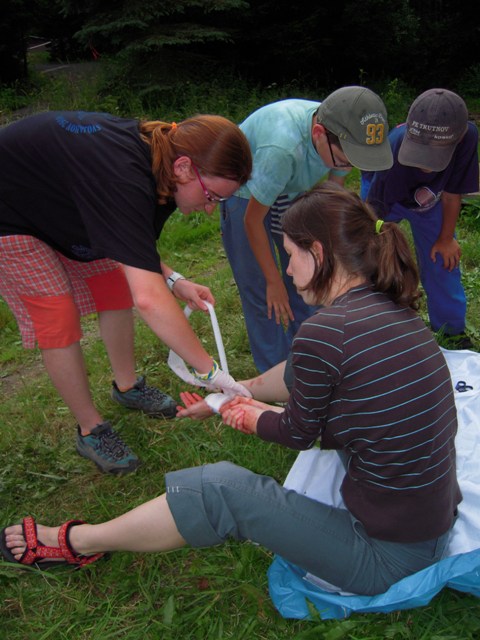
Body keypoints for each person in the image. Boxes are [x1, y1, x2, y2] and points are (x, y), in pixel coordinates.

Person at [1, 183, 461, 597]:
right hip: (428, 527)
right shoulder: (388, 311)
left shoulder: (326, 333)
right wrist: (233, 393)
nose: (287, 269)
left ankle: (77, 542)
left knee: (219, 488)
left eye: (290, 255)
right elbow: (304, 374)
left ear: (318, 253)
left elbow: (297, 433)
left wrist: (241, 412)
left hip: (388, 558)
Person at [0, 111, 252, 475]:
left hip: (60, 201)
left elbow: (133, 246)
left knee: (116, 286)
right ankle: (90, 429)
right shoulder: (124, 176)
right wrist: (210, 372)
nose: (211, 208)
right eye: (212, 195)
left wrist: (174, 280)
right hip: (10, 210)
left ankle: (127, 386)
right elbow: (147, 299)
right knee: (57, 316)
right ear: (184, 167)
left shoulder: (164, 174)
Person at [221, 86, 393, 372]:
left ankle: (311, 359)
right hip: (246, 194)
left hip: (289, 187)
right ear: (318, 134)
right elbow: (252, 221)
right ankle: (276, 374)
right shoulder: (282, 148)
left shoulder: (345, 132)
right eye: (343, 161)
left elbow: (330, 193)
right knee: (263, 292)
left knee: (308, 277)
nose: (346, 166)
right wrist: (273, 281)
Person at [362, 88, 479, 348]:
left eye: (434, 157)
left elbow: (453, 193)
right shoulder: (395, 148)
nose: (424, 165)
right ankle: (369, 327)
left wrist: (446, 239)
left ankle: (452, 331)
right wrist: (387, 255)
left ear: (459, 138)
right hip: (384, 198)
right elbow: (374, 216)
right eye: (419, 154)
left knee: (444, 261)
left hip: (431, 201)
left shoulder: (468, 137)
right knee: (369, 259)